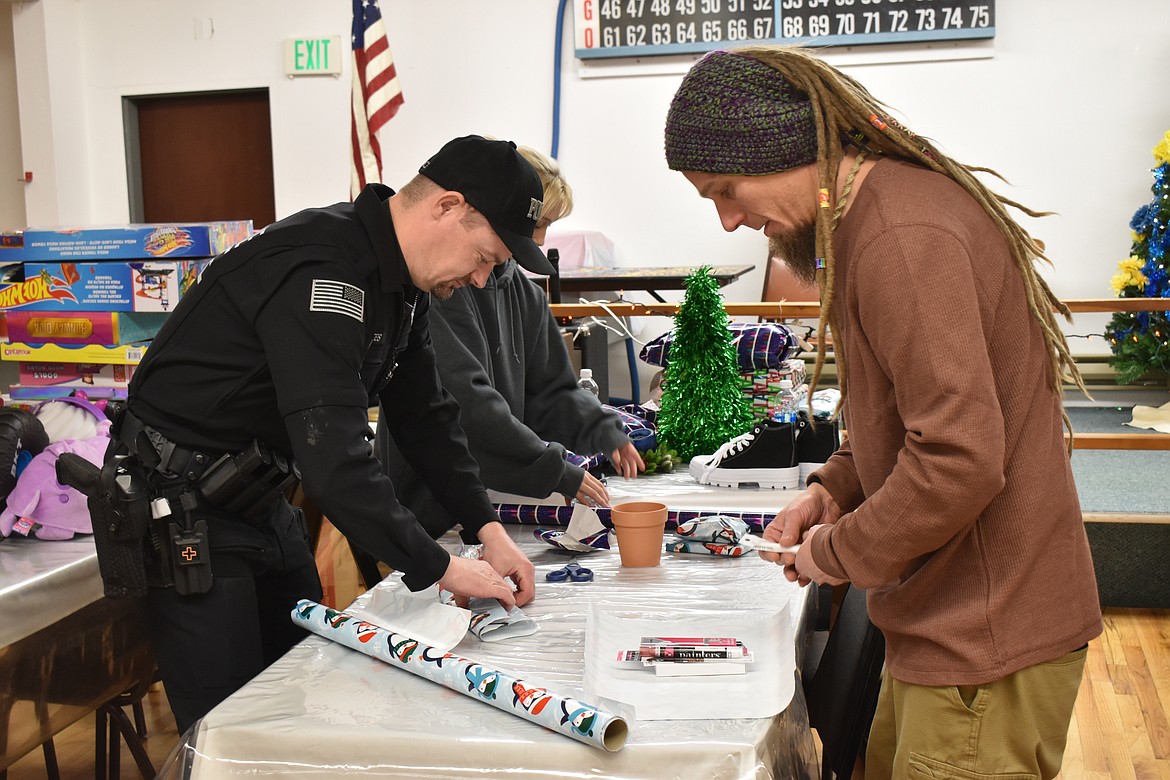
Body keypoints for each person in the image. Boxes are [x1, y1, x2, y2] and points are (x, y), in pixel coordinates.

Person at [664, 47, 1102, 779]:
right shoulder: (877, 218)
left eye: (726, 189)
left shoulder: (901, 237)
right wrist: (832, 487)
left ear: (786, 147)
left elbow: (957, 461)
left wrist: (832, 554)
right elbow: (901, 415)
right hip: (951, 630)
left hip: (982, 645)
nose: (731, 218)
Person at [96, 135, 544, 732]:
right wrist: (440, 567)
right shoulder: (324, 271)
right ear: (446, 207)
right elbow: (335, 457)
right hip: (183, 510)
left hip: (257, 497)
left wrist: (487, 528)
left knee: (300, 697)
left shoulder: (400, 287)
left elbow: (428, 419)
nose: (484, 280)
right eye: (486, 256)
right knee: (229, 734)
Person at [377, 146, 644, 540]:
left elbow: (549, 389)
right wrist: (553, 469)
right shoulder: (444, 285)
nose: (540, 237)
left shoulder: (522, 291)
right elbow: (465, 402)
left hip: (488, 498)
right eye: (542, 222)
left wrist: (600, 427)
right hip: (430, 505)